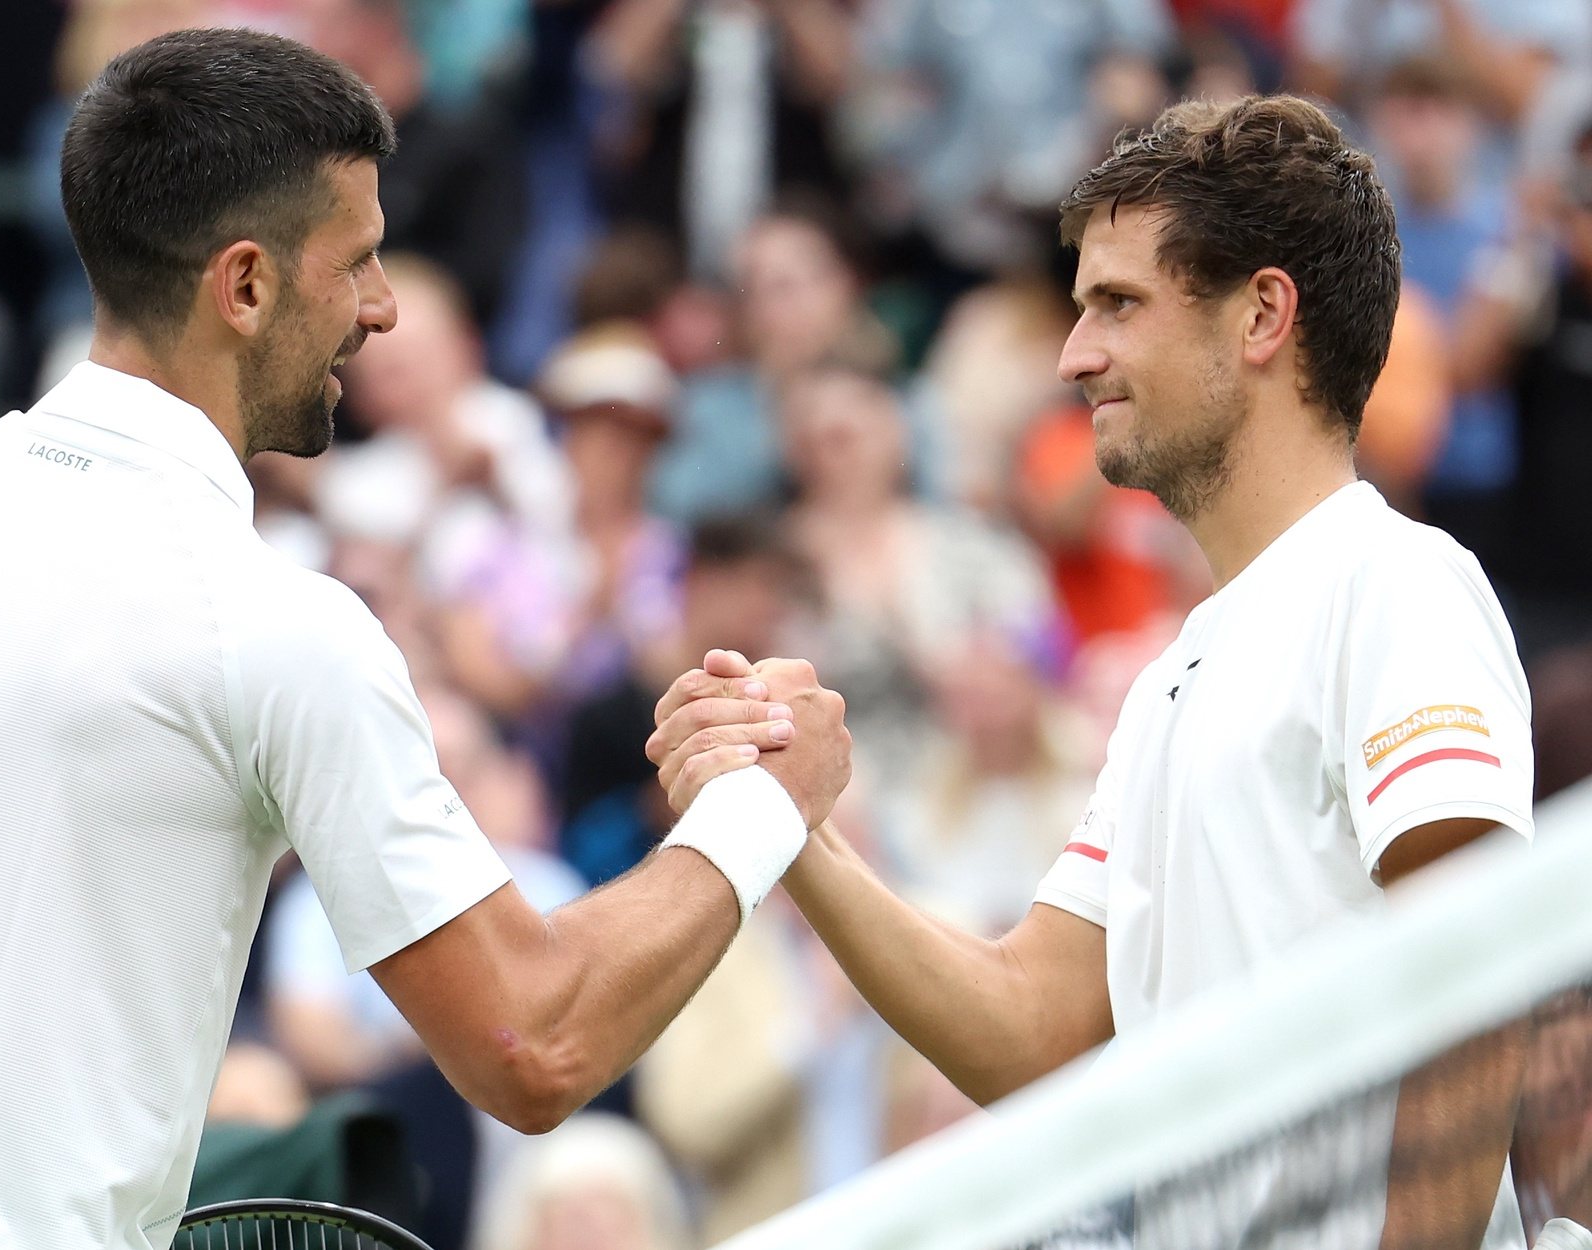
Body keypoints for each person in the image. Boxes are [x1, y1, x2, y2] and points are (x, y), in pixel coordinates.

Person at [0, 29, 852, 1250]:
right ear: (243, 284)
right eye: (356, 261)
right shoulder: (280, 628)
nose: (384, 307)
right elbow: (534, 1043)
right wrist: (757, 809)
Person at [650, 95, 1535, 1248]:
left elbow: (1469, 966)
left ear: (1261, 315)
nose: (1074, 356)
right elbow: (1034, 1031)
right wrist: (790, 829)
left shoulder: (1393, 579)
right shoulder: (1177, 674)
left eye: (1116, 303)